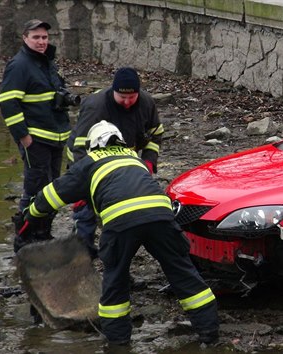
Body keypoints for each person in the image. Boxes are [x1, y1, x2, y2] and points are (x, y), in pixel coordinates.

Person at [24, 120, 219, 345]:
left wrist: (30, 215)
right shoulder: (133, 157)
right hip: (161, 217)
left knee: (116, 279)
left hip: (121, 223)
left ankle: (118, 343)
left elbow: (52, 195)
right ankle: (210, 334)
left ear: (93, 144)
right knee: (182, 271)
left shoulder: (90, 161)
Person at [66, 67, 164, 257]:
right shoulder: (96, 106)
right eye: (122, 98)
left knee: (119, 215)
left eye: (132, 98)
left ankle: (114, 257)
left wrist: (148, 162)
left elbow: (156, 134)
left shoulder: (146, 103)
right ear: (113, 92)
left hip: (124, 163)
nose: (127, 103)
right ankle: (81, 257)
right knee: (85, 214)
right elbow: (79, 148)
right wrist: (82, 185)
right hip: (89, 160)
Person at [0, 19, 72, 250]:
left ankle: (42, 233)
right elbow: (8, 103)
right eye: (36, 37)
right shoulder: (19, 65)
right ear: (25, 38)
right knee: (35, 187)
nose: (42, 42)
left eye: (45, 37)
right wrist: (24, 137)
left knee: (51, 188)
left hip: (55, 135)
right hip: (36, 139)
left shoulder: (47, 61)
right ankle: (23, 237)